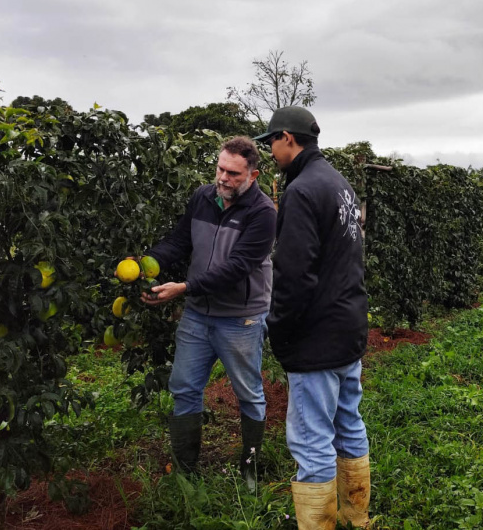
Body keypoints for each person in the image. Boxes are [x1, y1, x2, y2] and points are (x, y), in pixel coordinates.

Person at [255, 107, 371, 529]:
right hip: (347, 326)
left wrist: (280, 330)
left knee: (312, 439)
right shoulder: (339, 184)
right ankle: (356, 518)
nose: (269, 149)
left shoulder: (303, 191)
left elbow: (293, 275)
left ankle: (319, 524)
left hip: (316, 336)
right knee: (348, 423)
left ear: (288, 138)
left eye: (271, 141)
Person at [140, 136, 276, 491]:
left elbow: (237, 267)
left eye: (233, 173)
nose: (223, 179)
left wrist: (183, 288)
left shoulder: (263, 213)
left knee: (247, 392)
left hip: (241, 317)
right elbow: (179, 241)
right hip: (198, 314)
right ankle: (186, 472)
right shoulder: (202, 197)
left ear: (253, 175)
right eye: (220, 169)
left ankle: (249, 467)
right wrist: (146, 264)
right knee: (184, 387)